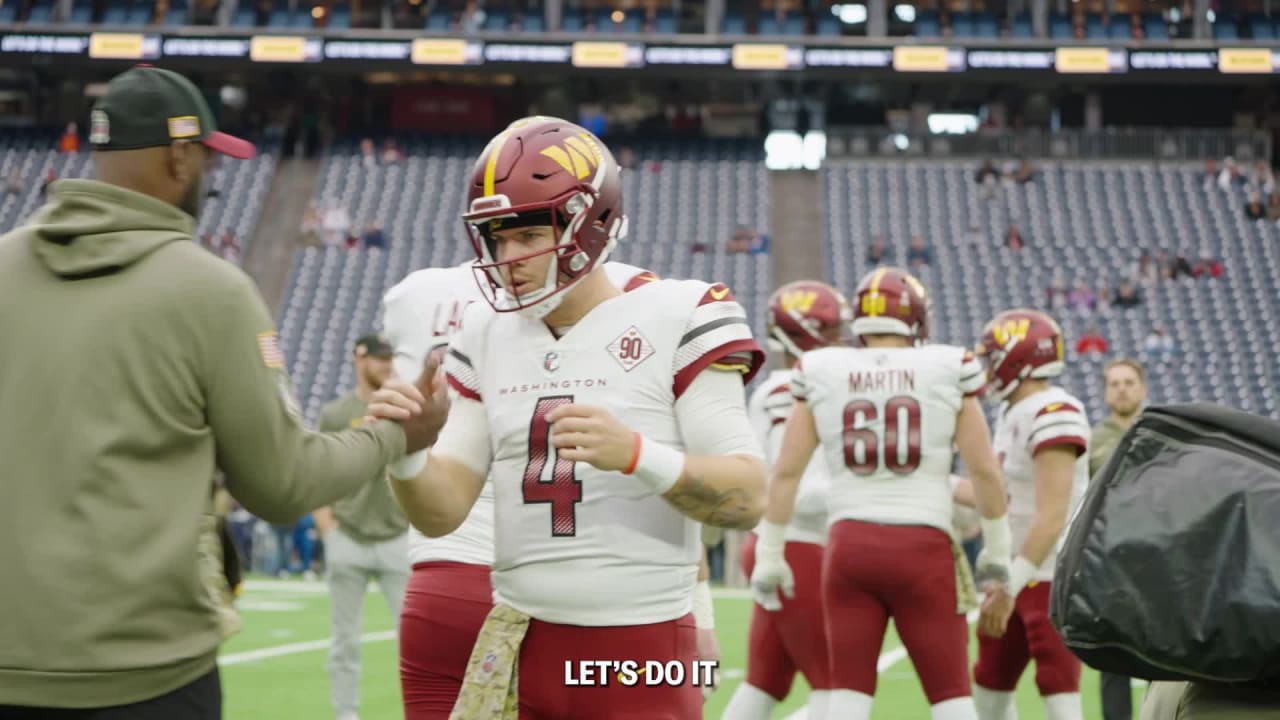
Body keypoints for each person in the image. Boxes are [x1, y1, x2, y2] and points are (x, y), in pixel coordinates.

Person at [0, 65, 436, 719]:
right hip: (146, 674)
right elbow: (281, 483)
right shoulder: (209, 289)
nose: (212, 178)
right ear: (180, 155)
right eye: (208, 159)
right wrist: (399, 432)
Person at [369, 116, 767, 720]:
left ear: (592, 223)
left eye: (527, 236)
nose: (509, 259)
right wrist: (408, 452)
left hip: (640, 652)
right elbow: (444, 508)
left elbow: (748, 496)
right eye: (496, 239)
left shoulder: (680, 312)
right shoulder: (484, 333)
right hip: (522, 641)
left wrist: (637, 455)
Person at [380, 258, 664, 719]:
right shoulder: (629, 287)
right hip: (565, 583)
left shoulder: (415, 293)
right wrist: (697, 610)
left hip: (444, 576)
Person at [751, 267, 1014, 720]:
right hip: (923, 546)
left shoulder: (821, 369)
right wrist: (998, 552)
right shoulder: (947, 365)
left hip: (848, 547)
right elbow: (986, 472)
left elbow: (786, 473)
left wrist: (770, 554)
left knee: (846, 698)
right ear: (914, 317)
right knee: (951, 697)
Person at [723, 280, 849, 720]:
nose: (841, 341)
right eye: (832, 332)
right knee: (835, 686)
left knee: (764, 683)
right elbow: (798, 488)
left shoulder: (776, 389)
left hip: (780, 543)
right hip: (797, 547)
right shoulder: (797, 391)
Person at [972, 309, 1092, 720]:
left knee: (1057, 687)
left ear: (1017, 358)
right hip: (1015, 571)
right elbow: (999, 495)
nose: (986, 366)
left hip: (1046, 575)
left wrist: (1009, 586)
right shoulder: (1011, 414)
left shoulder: (1055, 410)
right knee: (989, 684)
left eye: (992, 357)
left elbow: (1052, 516)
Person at [313, 333, 411, 720]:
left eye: (390, 357)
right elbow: (317, 472)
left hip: (396, 534)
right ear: (359, 358)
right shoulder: (336, 413)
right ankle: (345, 715)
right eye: (379, 357)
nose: (386, 364)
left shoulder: (404, 406)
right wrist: (328, 530)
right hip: (348, 534)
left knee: (413, 642)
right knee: (344, 642)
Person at [1089, 359, 1148, 720]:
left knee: (1167, 660)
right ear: (1106, 391)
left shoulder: (1162, 434)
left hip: (1156, 562)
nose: (1122, 388)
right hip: (1110, 564)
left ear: (1143, 388)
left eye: (1129, 382)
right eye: (1115, 383)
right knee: (1114, 661)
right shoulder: (1091, 441)